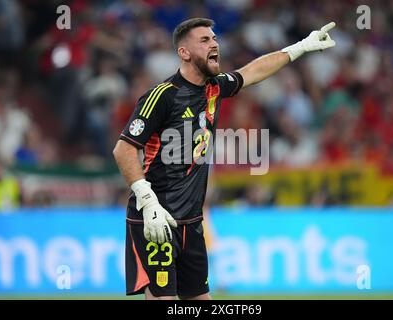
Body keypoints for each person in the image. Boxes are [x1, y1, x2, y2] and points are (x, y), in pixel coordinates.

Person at [113, 18, 335, 300]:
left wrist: (300, 47)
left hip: (192, 221)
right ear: (184, 53)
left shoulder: (214, 88)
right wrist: (148, 201)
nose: (214, 43)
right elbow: (123, 149)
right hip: (158, 219)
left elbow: (252, 72)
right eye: (204, 40)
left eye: (214, 38)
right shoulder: (162, 96)